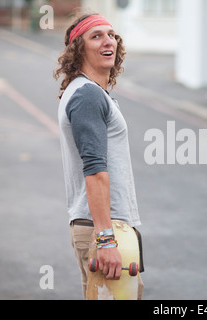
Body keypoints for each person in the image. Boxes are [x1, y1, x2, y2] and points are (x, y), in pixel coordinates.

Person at [54, 13, 143, 299]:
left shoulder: (89, 93)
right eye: (96, 36)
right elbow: (94, 171)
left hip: (104, 226)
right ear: (78, 50)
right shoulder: (88, 96)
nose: (109, 41)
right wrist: (106, 240)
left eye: (111, 35)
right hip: (102, 228)